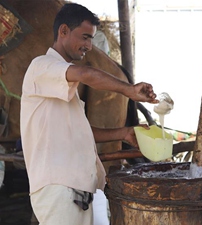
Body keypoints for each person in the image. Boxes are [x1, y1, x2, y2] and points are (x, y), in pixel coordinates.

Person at [20, 3, 158, 225]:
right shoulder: (42, 66)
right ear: (63, 31)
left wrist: (124, 133)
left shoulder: (61, 83)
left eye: (91, 39)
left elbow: (81, 131)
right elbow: (86, 73)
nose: (89, 46)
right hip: (58, 189)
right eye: (85, 37)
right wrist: (128, 90)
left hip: (79, 189)